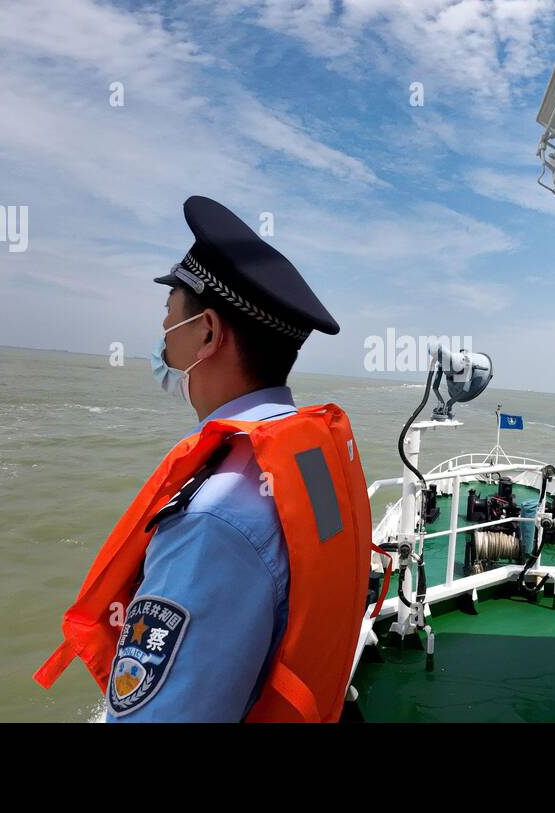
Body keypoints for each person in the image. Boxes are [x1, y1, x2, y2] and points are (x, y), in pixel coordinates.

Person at [33, 196, 372, 722]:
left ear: (207, 334)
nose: (163, 338)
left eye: (169, 318)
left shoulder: (212, 520)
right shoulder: (308, 458)